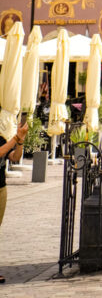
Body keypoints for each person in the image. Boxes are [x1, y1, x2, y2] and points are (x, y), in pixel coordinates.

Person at [0, 121, 29, 283]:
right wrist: (16, 136)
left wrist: (21, 141)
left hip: (1, 188)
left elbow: (15, 157)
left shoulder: (1, 138)